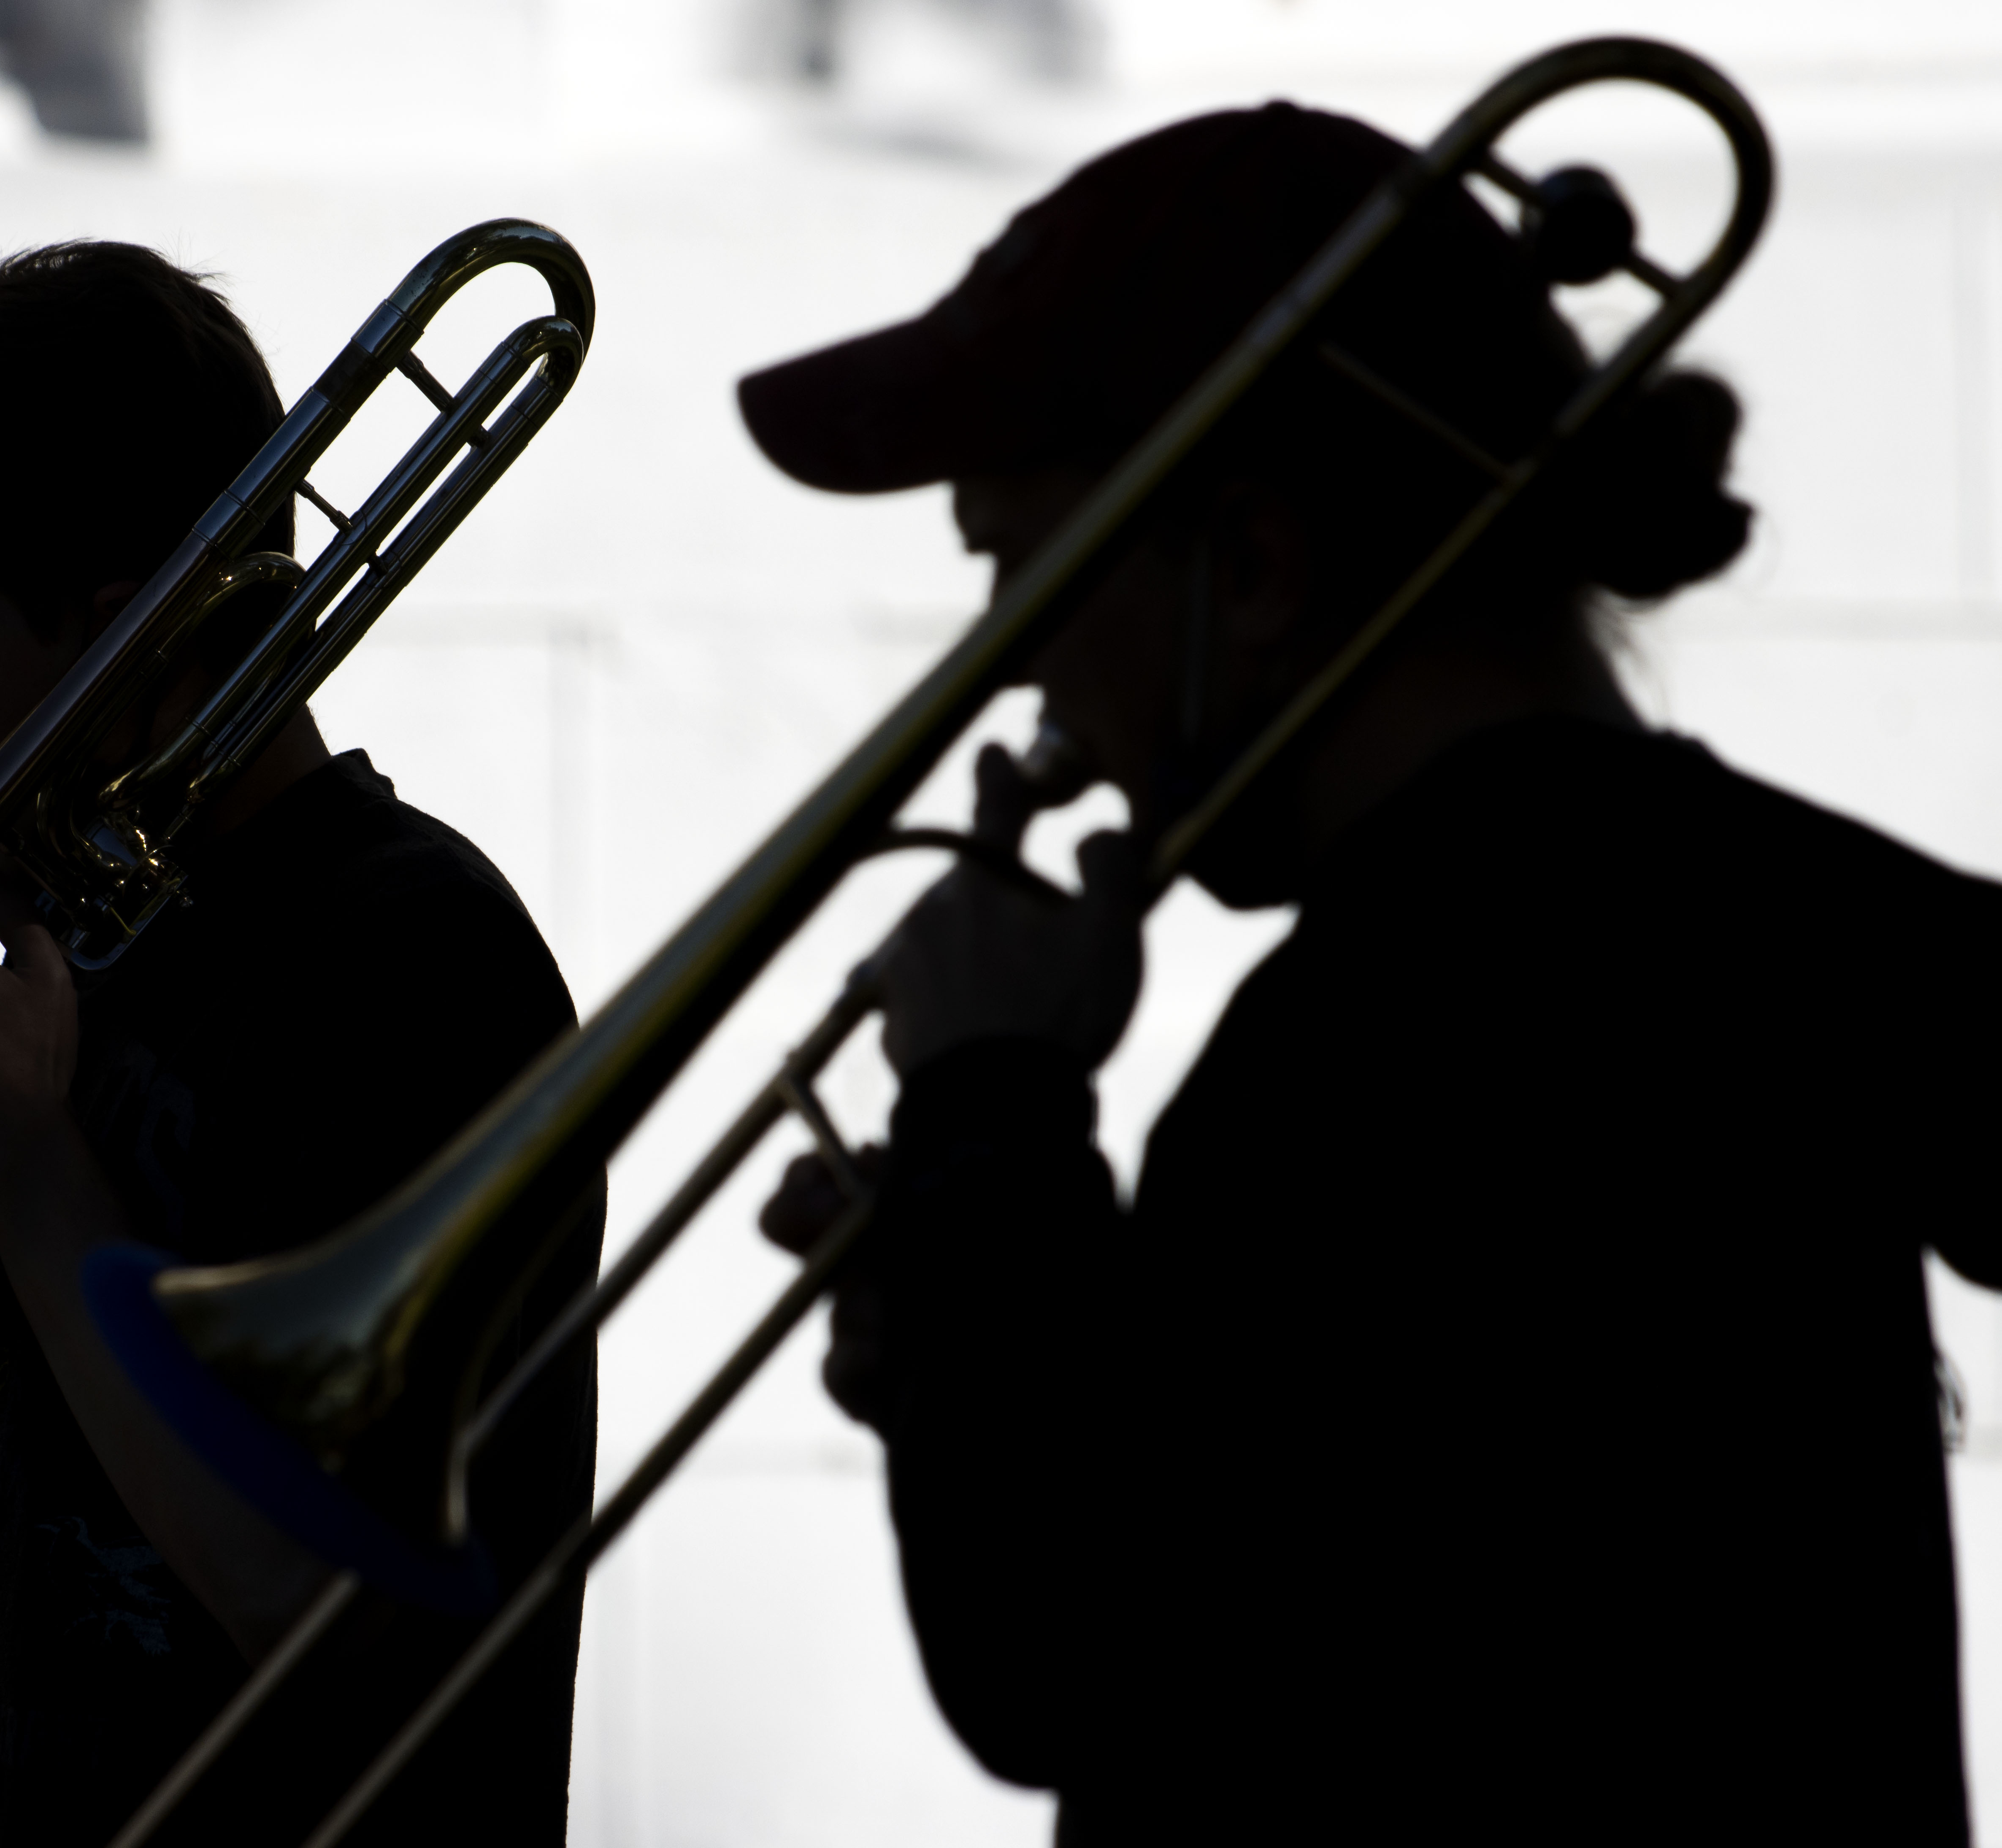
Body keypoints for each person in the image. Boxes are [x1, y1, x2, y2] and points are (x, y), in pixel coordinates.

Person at [747, 103, 2002, 1842]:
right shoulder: (1798, 922)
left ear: (1252, 567)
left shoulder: (1360, 1046)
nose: (1019, 684)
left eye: (1021, 580)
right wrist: (995, 1323)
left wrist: (991, 1114)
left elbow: (1061, 1662)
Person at [0, 242, 598, 1847]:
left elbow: (348, 1646)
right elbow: (98, 1563)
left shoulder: (415, 962)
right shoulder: (89, 954)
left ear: (125, 636)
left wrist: (20, 1160)